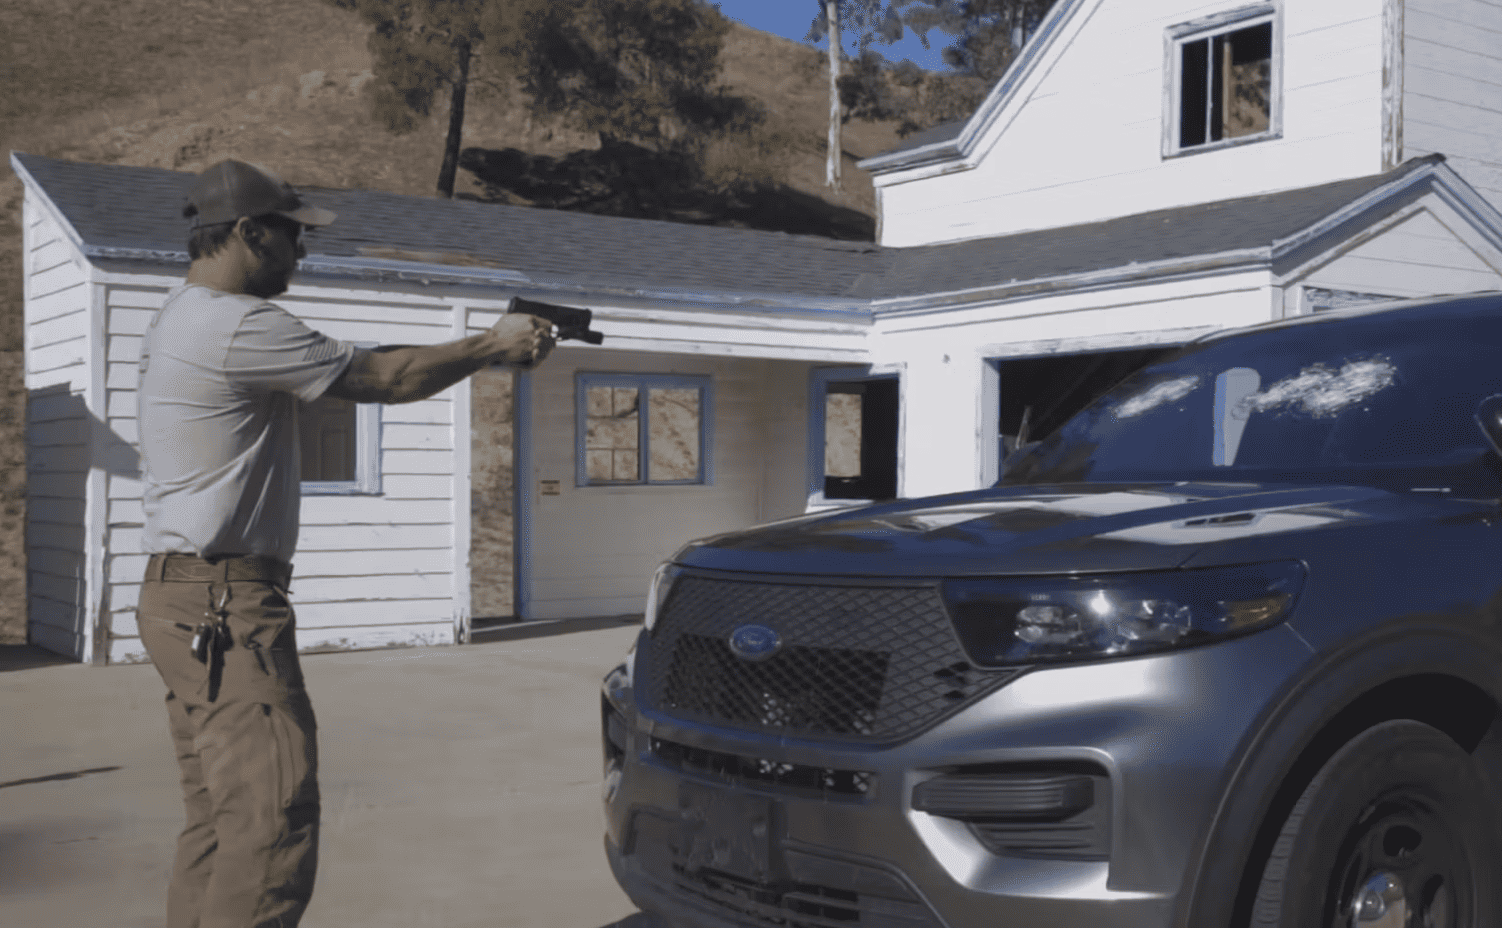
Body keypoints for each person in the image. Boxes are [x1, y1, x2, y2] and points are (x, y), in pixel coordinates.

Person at [135, 159, 555, 928]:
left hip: (183, 598)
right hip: (225, 605)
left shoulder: (184, 316)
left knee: (220, 824)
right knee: (270, 824)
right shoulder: (235, 324)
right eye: (292, 236)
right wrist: (490, 344)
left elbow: (364, 359)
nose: (303, 251)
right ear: (247, 232)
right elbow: (383, 379)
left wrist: (475, 347)